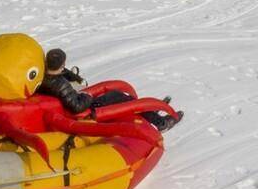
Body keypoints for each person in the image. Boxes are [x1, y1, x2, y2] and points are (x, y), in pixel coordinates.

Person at [39, 48, 182, 131]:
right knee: (121, 97)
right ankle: (159, 123)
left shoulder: (43, 77)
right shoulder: (60, 84)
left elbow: (62, 73)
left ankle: (148, 113)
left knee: (116, 95)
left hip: (70, 104)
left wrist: (74, 78)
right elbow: (76, 107)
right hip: (83, 110)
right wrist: (86, 95)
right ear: (62, 63)